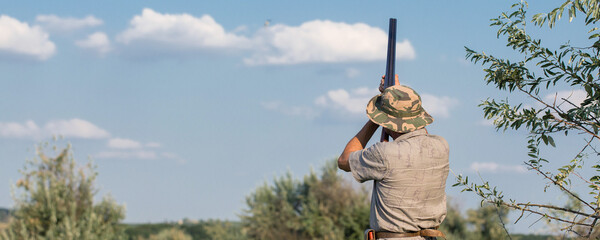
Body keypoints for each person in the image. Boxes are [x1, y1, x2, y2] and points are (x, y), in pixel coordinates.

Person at [337, 76, 449, 240]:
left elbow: (344, 160)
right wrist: (398, 97)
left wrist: (377, 119)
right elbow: (419, 135)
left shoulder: (384, 154)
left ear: (386, 121)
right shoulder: (441, 146)